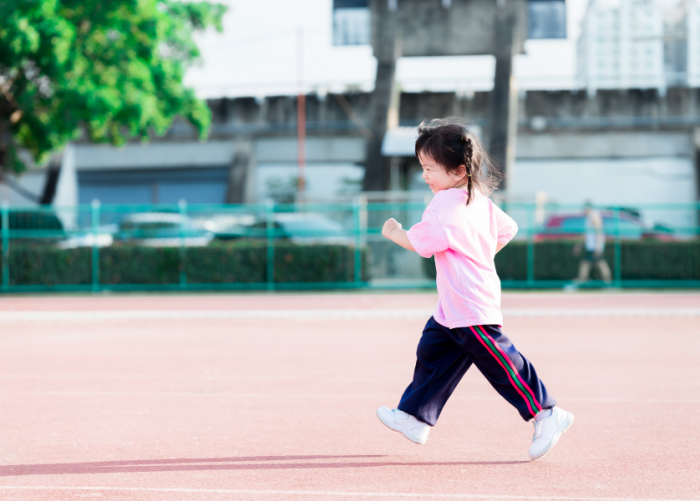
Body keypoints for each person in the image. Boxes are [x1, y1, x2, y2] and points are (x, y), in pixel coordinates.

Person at [376, 118, 574, 461]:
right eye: (423, 167)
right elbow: (507, 229)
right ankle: (415, 417)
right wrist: (480, 255)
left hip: (469, 304)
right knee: (432, 351)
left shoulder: (442, 205)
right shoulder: (477, 200)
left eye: (430, 168)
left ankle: (546, 413)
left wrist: (393, 231)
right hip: (454, 305)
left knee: (501, 363)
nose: (425, 175)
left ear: (458, 171)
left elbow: (419, 243)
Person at [570, 202, 612, 287]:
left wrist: (598, 246)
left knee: (596, 264)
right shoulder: (589, 217)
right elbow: (586, 234)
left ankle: (608, 283)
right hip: (592, 246)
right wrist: (579, 245)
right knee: (590, 263)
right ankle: (581, 280)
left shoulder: (594, 215)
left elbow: (598, 231)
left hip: (594, 246)